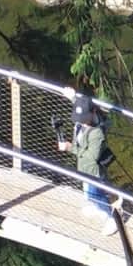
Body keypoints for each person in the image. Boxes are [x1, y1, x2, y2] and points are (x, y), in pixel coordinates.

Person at [55, 89, 116, 228]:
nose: (81, 122)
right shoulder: (86, 115)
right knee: (87, 193)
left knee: (94, 194)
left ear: (93, 113)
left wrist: (70, 147)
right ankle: (96, 207)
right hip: (83, 166)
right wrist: (73, 98)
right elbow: (82, 106)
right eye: (79, 118)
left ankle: (112, 218)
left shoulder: (97, 133)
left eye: (83, 119)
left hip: (92, 170)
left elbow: (92, 157)